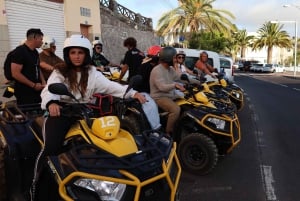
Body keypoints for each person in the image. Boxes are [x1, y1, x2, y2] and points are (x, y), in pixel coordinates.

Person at [31, 35, 148, 199]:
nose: (77, 56)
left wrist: (133, 93)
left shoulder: (92, 72)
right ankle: (36, 186)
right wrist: (52, 103)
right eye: (73, 52)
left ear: (87, 54)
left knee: (101, 145)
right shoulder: (60, 71)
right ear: (67, 54)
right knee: (50, 148)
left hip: (85, 112)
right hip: (61, 112)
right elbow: (49, 89)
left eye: (80, 52)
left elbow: (109, 86)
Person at [149, 46, 185, 136]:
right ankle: (168, 132)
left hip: (169, 95)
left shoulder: (170, 69)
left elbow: (179, 78)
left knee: (186, 102)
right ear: (168, 58)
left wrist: (196, 80)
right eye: (174, 58)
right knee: (176, 109)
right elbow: (162, 87)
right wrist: (175, 85)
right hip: (159, 97)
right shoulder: (157, 70)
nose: (176, 60)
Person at [11, 28, 46, 105]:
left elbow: (37, 67)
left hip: (36, 90)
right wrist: (33, 85)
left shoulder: (35, 52)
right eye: (41, 39)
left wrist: (43, 81)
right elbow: (15, 73)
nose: (42, 42)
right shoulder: (20, 51)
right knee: (27, 115)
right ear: (35, 38)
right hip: (24, 92)